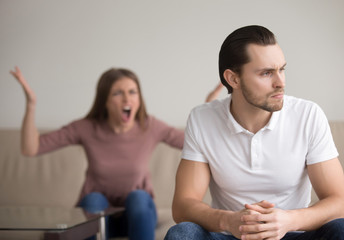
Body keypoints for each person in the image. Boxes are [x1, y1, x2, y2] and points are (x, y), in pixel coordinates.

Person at [165, 25, 344, 240]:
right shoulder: (202, 119)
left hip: (292, 234)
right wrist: (229, 221)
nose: (280, 83)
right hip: (232, 235)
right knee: (182, 234)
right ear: (233, 79)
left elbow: (339, 204)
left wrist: (288, 220)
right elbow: (183, 206)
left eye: (282, 69)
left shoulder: (308, 115)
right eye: (266, 73)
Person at [10, 66, 223, 240]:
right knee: (93, 199)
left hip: (139, 216)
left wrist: (207, 110)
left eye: (132, 92)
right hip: (99, 218)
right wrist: (31, 105)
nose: (126, 99)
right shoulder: (86, 127)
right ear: (105, 100)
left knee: (139, 197)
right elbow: (31, 148)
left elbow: (196, 142)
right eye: (117, 93)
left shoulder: (150, 126)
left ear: (139, 98)